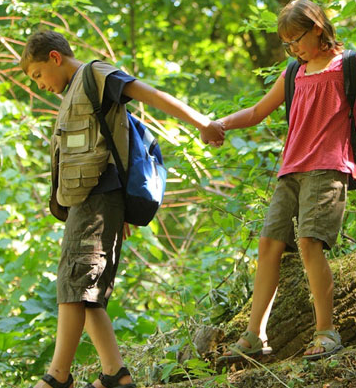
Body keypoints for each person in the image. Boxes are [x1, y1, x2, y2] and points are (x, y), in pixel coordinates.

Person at [218, 0, 356, 361]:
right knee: (269, 244)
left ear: (317, 28)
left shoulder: (349, 64)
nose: (293, 48)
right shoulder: (293, 72)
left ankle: (327, 332)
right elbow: (257, 111)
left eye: (296, 39)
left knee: (308, 242)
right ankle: (254, 336)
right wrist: (221, 124)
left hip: (329, 166)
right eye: (286, 43)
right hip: (291, 169)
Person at [21, 30, 225, 388]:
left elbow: (149, 94)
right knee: (87, 289)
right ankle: (115, 374)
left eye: (37, 75)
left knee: (74, 285)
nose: (39, 85)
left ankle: (57, 378)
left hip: (98, 201)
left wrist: (202, 123)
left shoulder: (95, 75)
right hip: (91, 203)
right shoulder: (72, 94)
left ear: (54, 58)